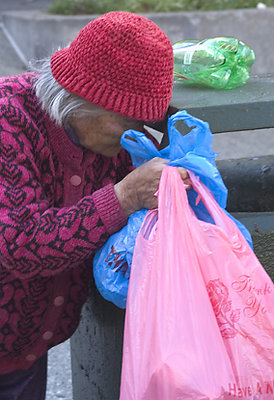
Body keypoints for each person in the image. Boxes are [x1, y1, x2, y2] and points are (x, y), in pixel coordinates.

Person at [0, 11, 189, 399]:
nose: (136, 137)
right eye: (130, 123)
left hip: (28, 352)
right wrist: (123, 196)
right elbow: (19, 244)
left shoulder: (108, 141)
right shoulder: (9, 120)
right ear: (84, 102)